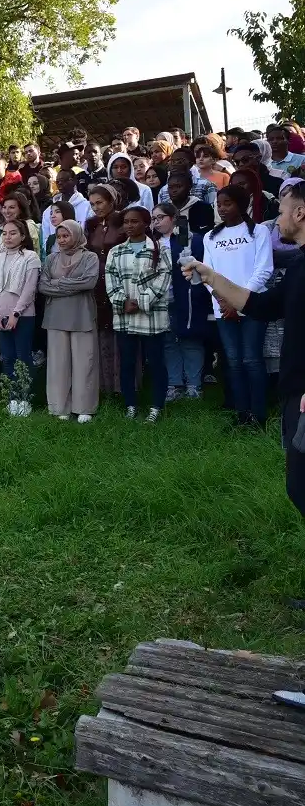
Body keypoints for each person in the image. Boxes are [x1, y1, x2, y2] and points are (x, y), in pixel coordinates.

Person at [183, 183, 305, 678]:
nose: (275, 218)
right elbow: (255, 304)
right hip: (294, 398)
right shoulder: (297, 266)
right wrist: (210, 274)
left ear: (301, 211)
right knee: (299, 488)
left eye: (282, 210)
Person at [204, 185, 275, 429]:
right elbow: (207, 273)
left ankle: (259, 415)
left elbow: (263, 269)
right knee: (233, 360)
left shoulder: (259, 232)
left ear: (242, 205)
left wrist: (240, 300)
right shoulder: (211, 237)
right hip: (223, 308)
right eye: (218, 204)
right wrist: (224, 300)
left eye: (227, 203)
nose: (222, 209)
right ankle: (242, 413)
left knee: (252, 359)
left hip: (254, 306)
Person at [105, 207, 171, 421]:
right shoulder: (116, 251)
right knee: (127, 362)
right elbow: (110, 280)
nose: (129, 225)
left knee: (156, 362)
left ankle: (156, 406)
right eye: (126, 222)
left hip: (152, 317)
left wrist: (142, 302)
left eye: (134, 221)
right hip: (125, 316)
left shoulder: (159, 249)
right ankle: (130, 405)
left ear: (146, 223)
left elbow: (164, 278)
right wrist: (122, 302)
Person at [40, 220, 101, 422]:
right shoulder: (50, 259)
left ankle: (84, 407)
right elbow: (43, 286)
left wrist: (58, 284)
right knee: (58, 363)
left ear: (76, 235)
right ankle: (59, 407)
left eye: (66, 236)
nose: (62, 240)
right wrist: (72, 286)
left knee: (85, 362)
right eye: (59, 237)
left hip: (81, 315)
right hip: (55, 316)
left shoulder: (89, 257)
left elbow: (89, 281)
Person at [153, 203, 209, 400]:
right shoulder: (154, 242)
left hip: (188, 295)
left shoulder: (189, 238)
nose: (156, 222)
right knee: (168, 341)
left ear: (173, 217)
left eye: (160, 218)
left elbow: (200, 265)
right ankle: (174, 383)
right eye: (154, 219)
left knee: (190, 338)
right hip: (163, 298)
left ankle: (194, 384)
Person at [0, 220, 41, 414]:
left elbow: (29, 289)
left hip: (23, 316)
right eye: (5, 234)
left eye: (13, 233)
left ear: (23, 236)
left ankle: (25, 398)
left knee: (23, 357)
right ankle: (12, 399)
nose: (8, 237)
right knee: (8, 357)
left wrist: (16, 313)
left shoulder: (30, 257)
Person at [85, 184, 127, 396]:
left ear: (111, 201)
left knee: (119, 333)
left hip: (119, 281)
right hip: (97, 285)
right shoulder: (91, 224)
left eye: (99, 202)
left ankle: (124, 386)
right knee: (102, 332)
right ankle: (104, 385)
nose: (96, 207)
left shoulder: (124, 221)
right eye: (92, 204)